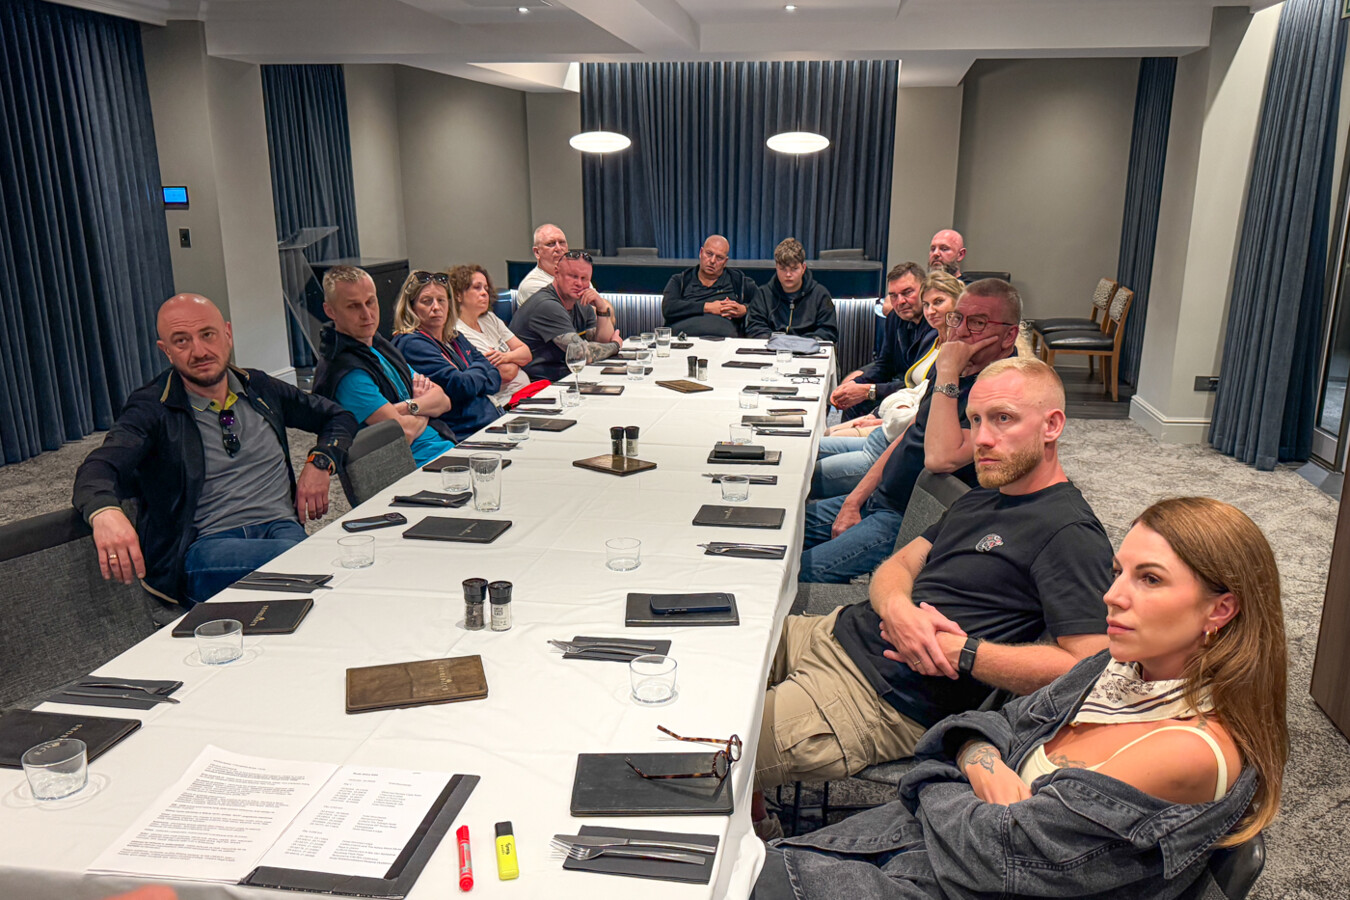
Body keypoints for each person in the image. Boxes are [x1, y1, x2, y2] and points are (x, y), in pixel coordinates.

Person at [755, 496, 1286, 900]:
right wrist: (977, 760)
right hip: (913, 849)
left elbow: (993, 851)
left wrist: (946, 767)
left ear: (1220, 610)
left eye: (1149, 579)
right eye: (1118, 572)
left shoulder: (1187, 748)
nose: (1112, 596)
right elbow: (988, 724)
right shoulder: (1118, 666)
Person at [754, 357, 1113, 837]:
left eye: (1003, 419)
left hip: (874, 699)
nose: (982, 438)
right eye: (976, 420)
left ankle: (750, 831)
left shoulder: (1069, 532)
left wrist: (961, 651)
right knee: (705, 655)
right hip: (836, 631)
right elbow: (897, 566)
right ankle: (752, 816)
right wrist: (898, 609)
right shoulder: (982, 495)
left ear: (1052, 426)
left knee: (697, 750)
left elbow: (1087, 667)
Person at [72, 294, 356, 608]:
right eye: (182, 341)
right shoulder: (152, 408)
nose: (199, 351)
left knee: (312, 581)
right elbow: (99, 467)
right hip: (205, 547)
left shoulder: (258, 387)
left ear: (227, 334)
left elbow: (338, 417)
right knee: (314, 562)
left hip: (281, 527)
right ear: (166, 351)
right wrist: (105, 513)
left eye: (207, 334)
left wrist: (320, 461)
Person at [800, 279, 1022, 583]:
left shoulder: (1003, 391)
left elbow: (940, 459)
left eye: (978, 323)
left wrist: (948, 371)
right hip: (881, 499)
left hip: (907, 521)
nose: (961, 331)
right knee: (782, 530)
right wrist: (854, 499)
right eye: (958, 318)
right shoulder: (959, 369)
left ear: (1009, 335)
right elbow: (910, 434)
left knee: (795, 572)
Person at [813, 272, 963, 499]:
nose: (931, 310)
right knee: (812, 447)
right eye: (927, 304)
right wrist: (857, 384)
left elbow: (923, 406)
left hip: (898, 435)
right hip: (892, 421)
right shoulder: (933, 339)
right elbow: (900, 378)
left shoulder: (954, 352)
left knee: (809, 469)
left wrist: (874, 399)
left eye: (938, 302)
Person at [312, 265, 456, 466]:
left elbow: (443, 400)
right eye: (353, 306)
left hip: (444, 448)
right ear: (330, 311)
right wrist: (424, 408)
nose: (367, 314)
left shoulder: (378, 346)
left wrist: (410, 407)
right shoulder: (347, 373)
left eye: (370, 302)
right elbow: (403, 433)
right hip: (415, 467)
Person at [390, 270, 502, 438]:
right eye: (426, 301)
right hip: (464, 434)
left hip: (491, 421)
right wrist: (479, 367)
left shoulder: (454, 337)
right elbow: (461, 386)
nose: (436, 307)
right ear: (411, 307)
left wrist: (472, 373)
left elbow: (495, 377)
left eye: (441, 300)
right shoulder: (412, 344)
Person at [828, 261, 936, 420]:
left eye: (907, 292)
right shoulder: (894, 318)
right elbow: (884, 365)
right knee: (852, 400)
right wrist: (855, 384)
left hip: (919, 397)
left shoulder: (935, 326)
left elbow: (918, 384)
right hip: (897, 387)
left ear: (924, 290)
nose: (900, 301)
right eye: (893, 296)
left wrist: (869, 390)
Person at [509, 250, 621, 381]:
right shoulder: (547, 305)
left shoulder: (580, 302)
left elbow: (602, 342)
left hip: (565, 378)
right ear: (556, 273)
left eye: (584, 278)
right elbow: (581, 353)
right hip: (539, 384)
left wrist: (601, 308)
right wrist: (615, 346)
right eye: (573, 276)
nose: (579, 284)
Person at [449, 264, 534, 407]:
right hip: (505, 404)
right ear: (458, 295)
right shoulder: (458, 331)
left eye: (486, 289)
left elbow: (527, 354)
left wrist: (506, 357)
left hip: (528, 393)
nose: (484, 293)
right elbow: (505, 373)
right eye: (477, 287)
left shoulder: (490, 318)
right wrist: (516, 359)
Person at [660, 234, 757, 337]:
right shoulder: (681, 281)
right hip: (684, 340)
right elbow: (669, 308)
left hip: (726, 341)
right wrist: (707, 307)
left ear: (725, 262)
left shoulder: (739, 282)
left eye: (719, 257)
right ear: (701, 253)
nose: (712, 261)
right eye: (709, 254)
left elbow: (762, 306)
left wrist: (745, 309)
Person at [745, 238, 838, 342]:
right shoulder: (763, 294)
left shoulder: (820, 295)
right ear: (776, 267)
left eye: (794, 269)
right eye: (783, 269)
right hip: (772, 348)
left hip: (808, 348)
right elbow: (755, 328)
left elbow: (828, 331)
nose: (788, 274)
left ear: (803, 268)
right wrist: (775, 341)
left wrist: (803, 343)